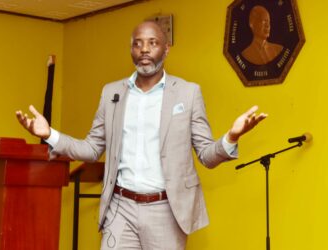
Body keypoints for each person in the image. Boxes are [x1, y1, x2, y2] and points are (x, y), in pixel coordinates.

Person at [16, 21, 267, 250]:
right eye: (138, 44)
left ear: (166, 49)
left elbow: (206, 156)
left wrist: (232, 137)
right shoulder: (111, 93)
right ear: (131, 50)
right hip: (120, 208)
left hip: (166, 211)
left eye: (152, 43)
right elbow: (92, 148)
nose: (144, 49)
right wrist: (50, 134)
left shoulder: (188, 94)